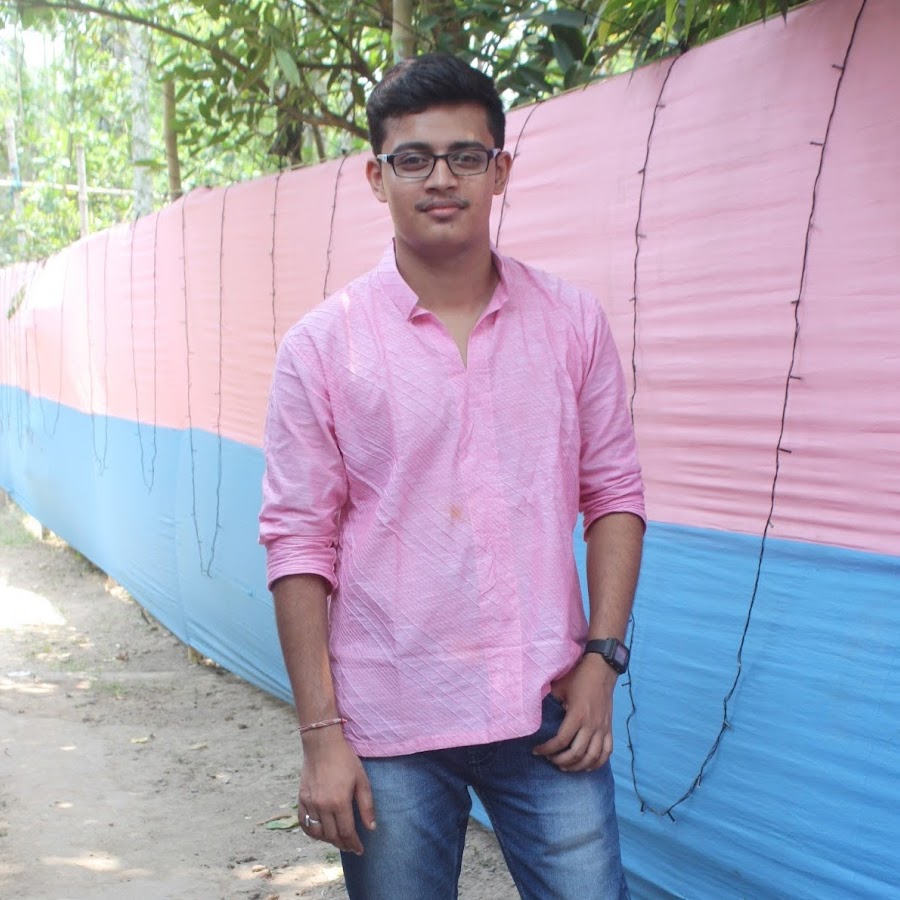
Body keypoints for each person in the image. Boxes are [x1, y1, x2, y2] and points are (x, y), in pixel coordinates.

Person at [259, 53, 645, 900]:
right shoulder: (322, 348)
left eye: (465, 156)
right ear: (377, 176)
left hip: (546, 706)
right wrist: (321, 735)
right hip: (388, 720)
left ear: (499, 170)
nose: (441, 178)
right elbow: (298, 545)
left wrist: (603, 660)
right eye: (414, 158)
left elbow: (614, 495)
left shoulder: (572, 323)